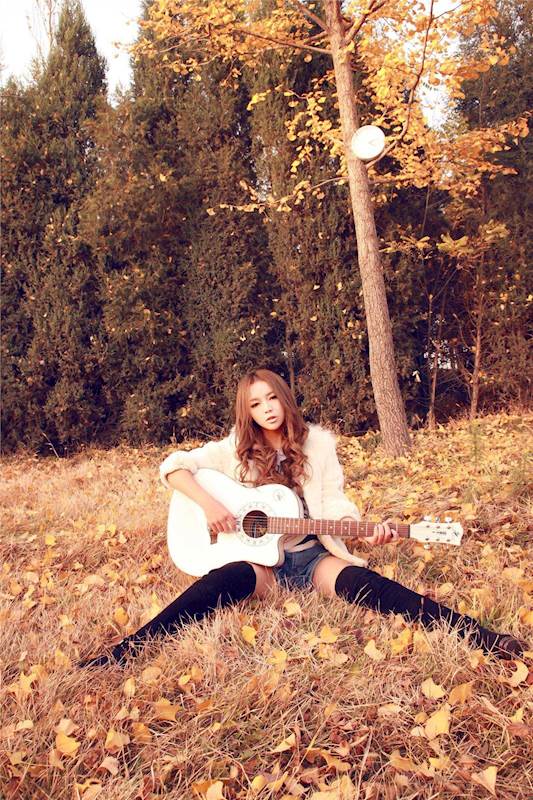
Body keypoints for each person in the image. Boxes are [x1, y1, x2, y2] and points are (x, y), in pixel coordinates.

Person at [80, 368, 526, 668]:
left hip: (311, 557)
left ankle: (481, 636)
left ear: (285, 398)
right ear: (247, 411)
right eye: (256, 403)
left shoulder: (319, 445)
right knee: (220, 583)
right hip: (261, 564)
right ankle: (126, 651)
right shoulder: (233, 448)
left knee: (370, 587)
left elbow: (333, 504)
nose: (267, 408)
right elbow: (174, 467)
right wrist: (211, 506)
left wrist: (365, 531)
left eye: (272, 397)